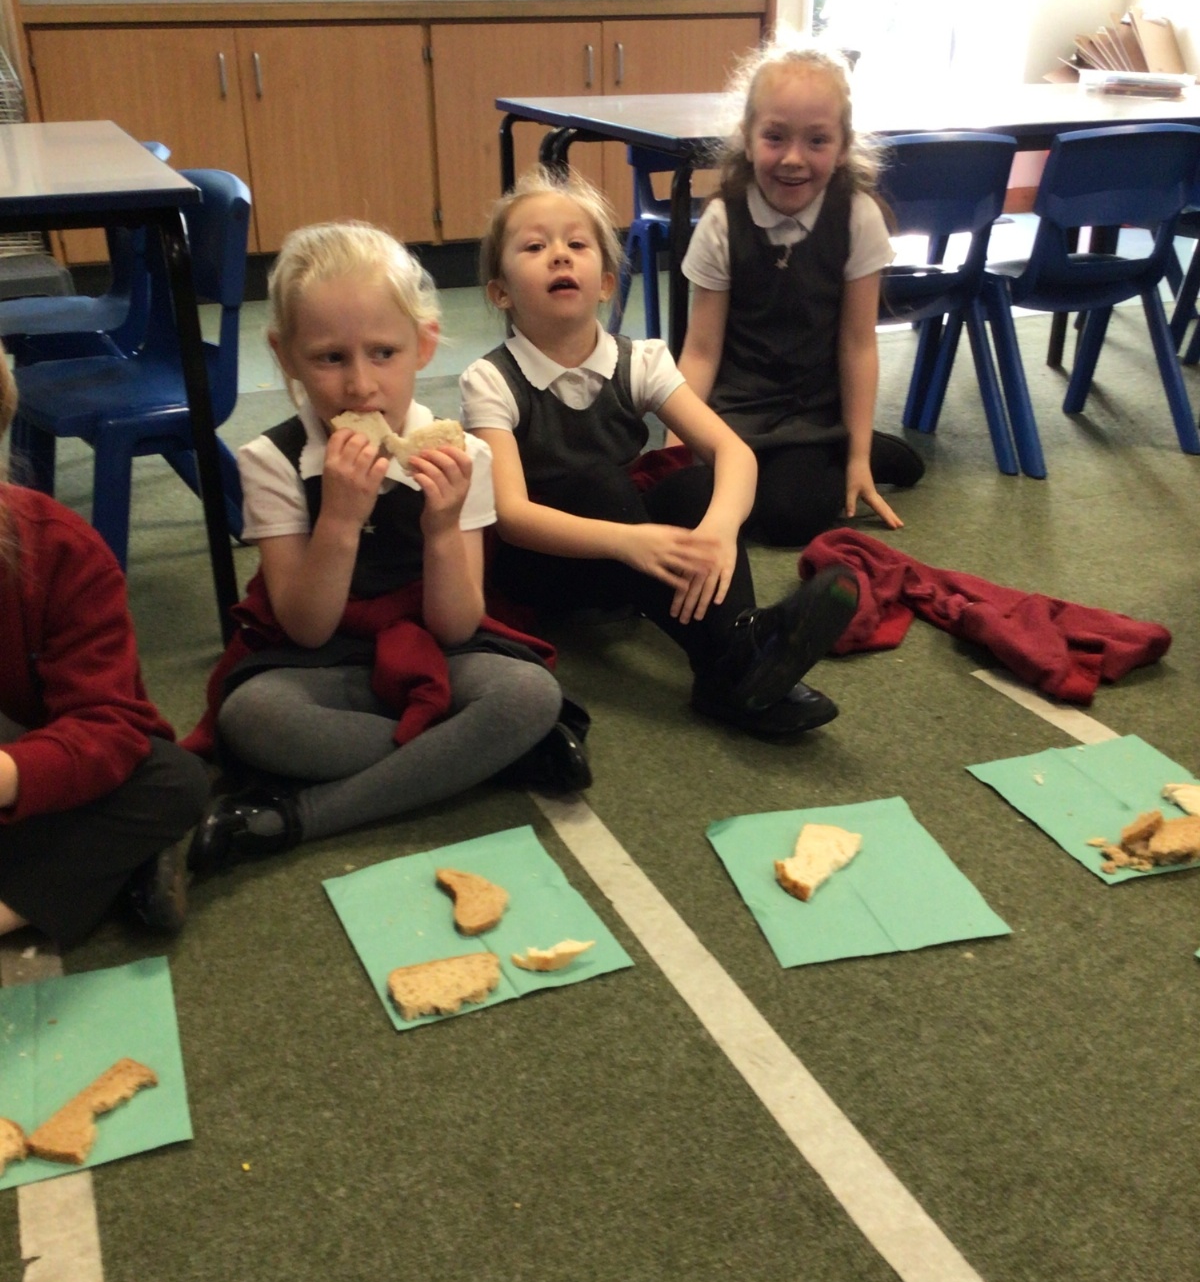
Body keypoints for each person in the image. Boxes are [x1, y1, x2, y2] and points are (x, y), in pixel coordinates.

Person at [187, 221, 574, 875]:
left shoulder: (464, 454)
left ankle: (297, 817)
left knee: (529, 695)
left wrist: (442, 528)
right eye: (329, 358)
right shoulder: (272, 461)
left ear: (424, 344)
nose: (360, 385)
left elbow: (456, 626)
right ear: (285, 356)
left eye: (384, 353)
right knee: (252, 718)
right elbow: (306, 629)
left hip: (437, 650)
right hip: (322, 663)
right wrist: (340, 519)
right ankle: (481, 756)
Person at [460, 167, 860, 740]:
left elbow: (734, 453)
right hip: (546, 569)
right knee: (601, 483)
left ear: (605, 283)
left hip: (627, 553)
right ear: (501, 291)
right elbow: (513, 517)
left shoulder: (640, 360)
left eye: (577, 244)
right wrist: (630, 540)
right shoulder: (491, 380)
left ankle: (734, 659)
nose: (559, 255)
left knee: (699, 487)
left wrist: (719, 530)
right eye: (534, 247)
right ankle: (738, 656)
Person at [678, 41, 925, 548]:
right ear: (748, 139)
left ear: (842, 146)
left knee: (790, 517)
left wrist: (858, 457)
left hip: (812, 412)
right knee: (691, 497)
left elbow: (858, 344)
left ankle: (857, 449)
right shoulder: (722, 221)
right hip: (737, 408)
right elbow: (701, 351)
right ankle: (837, 455)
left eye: (817, 140)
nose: (793, 159)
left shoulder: (857, 217)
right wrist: (677, 448)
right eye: (775, 137)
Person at [0, 358, 210, 947]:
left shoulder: (58, 550)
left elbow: (111, 727)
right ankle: (114, 868)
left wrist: (10, 775)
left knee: (172, 780)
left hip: (33, 771)